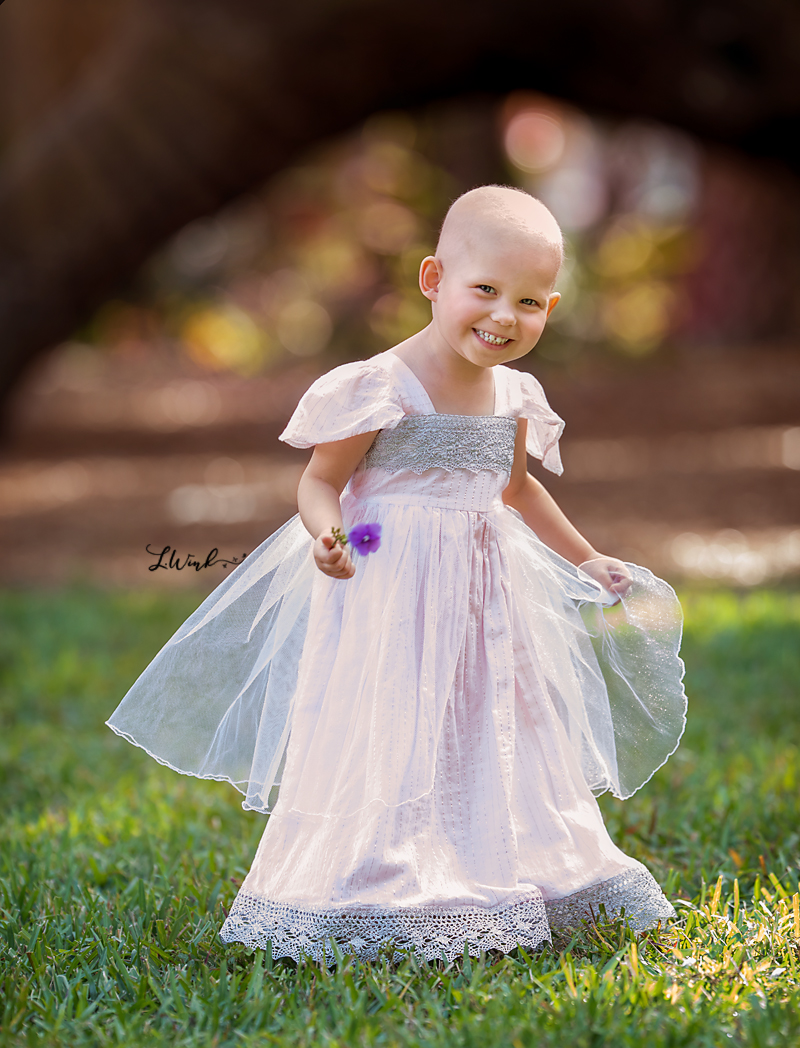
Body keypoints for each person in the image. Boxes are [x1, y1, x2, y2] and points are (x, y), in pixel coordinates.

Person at [107, 185, 687, 962]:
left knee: (497, 714)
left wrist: (588, 556)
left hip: (485, 590)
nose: (504, 317)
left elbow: (516, 488)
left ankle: (511, 861)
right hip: (388, 584)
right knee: (392, 718)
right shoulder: (379, 387)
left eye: (529, 302)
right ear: (432, 280)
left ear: (550, 305)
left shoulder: (514, 395)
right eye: (484, 290)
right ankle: (376, 876)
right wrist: (328, 535)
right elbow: (320, 482)